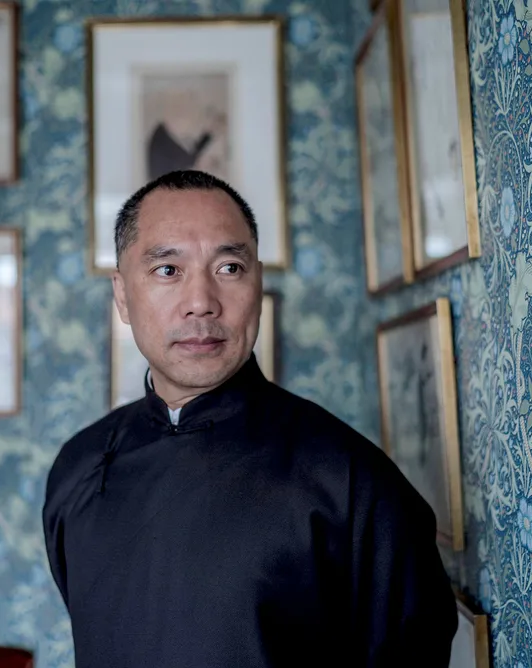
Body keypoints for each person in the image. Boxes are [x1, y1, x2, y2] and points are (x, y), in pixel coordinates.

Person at [43, 169, 458, 667]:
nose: (201, 303)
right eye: (168, 270)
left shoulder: (352, 481)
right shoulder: (80, 466)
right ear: (122, 295)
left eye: (229, 268)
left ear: (257, 282)